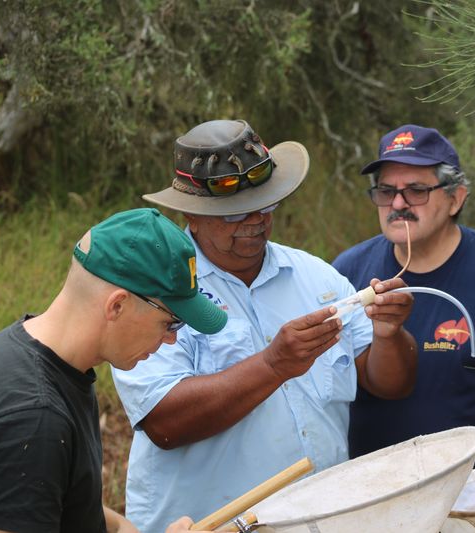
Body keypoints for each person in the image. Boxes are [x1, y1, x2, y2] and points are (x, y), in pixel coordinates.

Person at [111, 119, 417, 532]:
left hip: (320, 520)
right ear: (192, 215)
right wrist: (273, 365)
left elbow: (389, 383)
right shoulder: (152, 291)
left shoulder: (318, 279)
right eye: (235, 212)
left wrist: (389, 334)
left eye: (267, 204)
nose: (256, 220)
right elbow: (164, 422)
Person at [0, 208, 224, 533]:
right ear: (117, 305)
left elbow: (73, 506)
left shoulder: (29, 353)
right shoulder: (33, 417)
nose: (172, 339)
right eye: (171, 321)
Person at [333, 124, 475, 468]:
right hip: (375, 487)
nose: (398, 203)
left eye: (416, 190)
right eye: (386, 191)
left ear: (455, 197)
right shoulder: (346, 273)